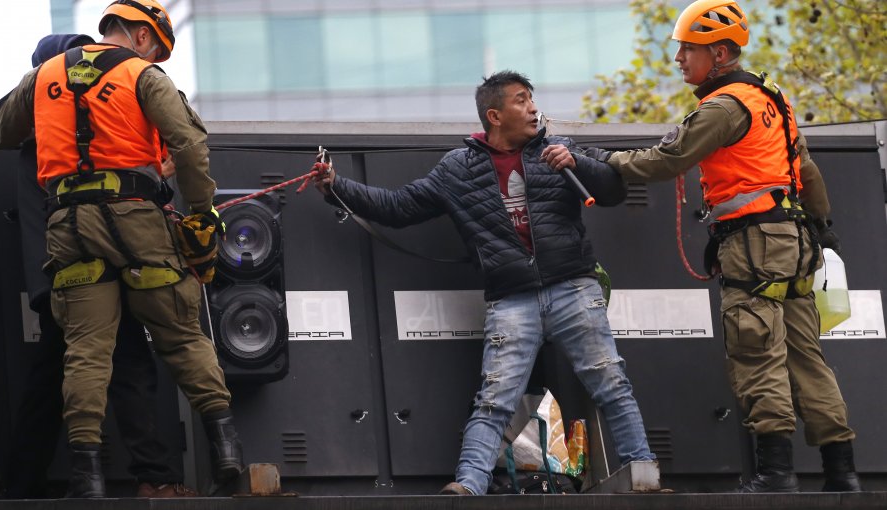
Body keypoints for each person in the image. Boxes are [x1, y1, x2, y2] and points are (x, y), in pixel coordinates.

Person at [313, 70, 656, 496]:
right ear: (494, 115)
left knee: (611, 382)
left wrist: (580, 163)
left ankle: (643, 475)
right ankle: (469, 485)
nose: (532, 107)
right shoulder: (458, 168)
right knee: (494, 400)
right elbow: (400, 207)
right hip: (510, 299)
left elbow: (614, 189)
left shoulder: (559, 149)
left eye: (532, 98)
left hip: (573, 287)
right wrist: (335, 186)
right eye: (520, 99)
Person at [596, 0, 860, 493]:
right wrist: (823, 229)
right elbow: (806, 169)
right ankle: (842, 474)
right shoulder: (771, 98)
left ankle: (776, 475)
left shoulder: (722, 107)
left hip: (754, 245)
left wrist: (605, 161)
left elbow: (666, 160)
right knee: (807, 358)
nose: (677, 59)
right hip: (798, 242)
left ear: (718, 53)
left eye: (686, 50)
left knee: (756, 350)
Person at [0, 0, 243, 498]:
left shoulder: (43, 77)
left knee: (85, 351)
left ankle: (89, 481)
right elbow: (189, 146)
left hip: (69, 225)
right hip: (136, 220)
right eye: (158, 52)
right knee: (182, 335)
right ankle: (227, 452)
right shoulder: (143, 76)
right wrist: (201, 213)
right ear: (143, 37)